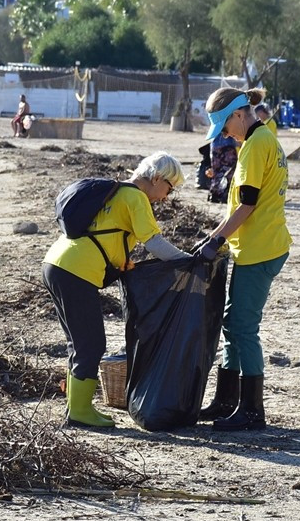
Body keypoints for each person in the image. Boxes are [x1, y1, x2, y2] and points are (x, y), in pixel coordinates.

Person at [43, 152, 191, 428]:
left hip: (55, 263)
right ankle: (79, 411)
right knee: (91, 343)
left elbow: (107, 234)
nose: (167, 197)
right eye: (169, 189)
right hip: (76, 271)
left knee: (79, 342)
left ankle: (76, 407)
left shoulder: (114, 192)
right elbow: (154, 244)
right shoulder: (136, 197)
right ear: (157, 178)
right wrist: (188, 261)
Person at [193, 87, 292, 430]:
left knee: (243, 329)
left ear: (238, 114)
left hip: (259, 248)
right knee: (232, 323)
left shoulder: (254, 147)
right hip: (259, 244)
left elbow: (247, 205)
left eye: (223, 125)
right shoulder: (263, 140)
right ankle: (225, 401)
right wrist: (220, 238)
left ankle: (251, 410)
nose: (223, 133)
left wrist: (217, 237)